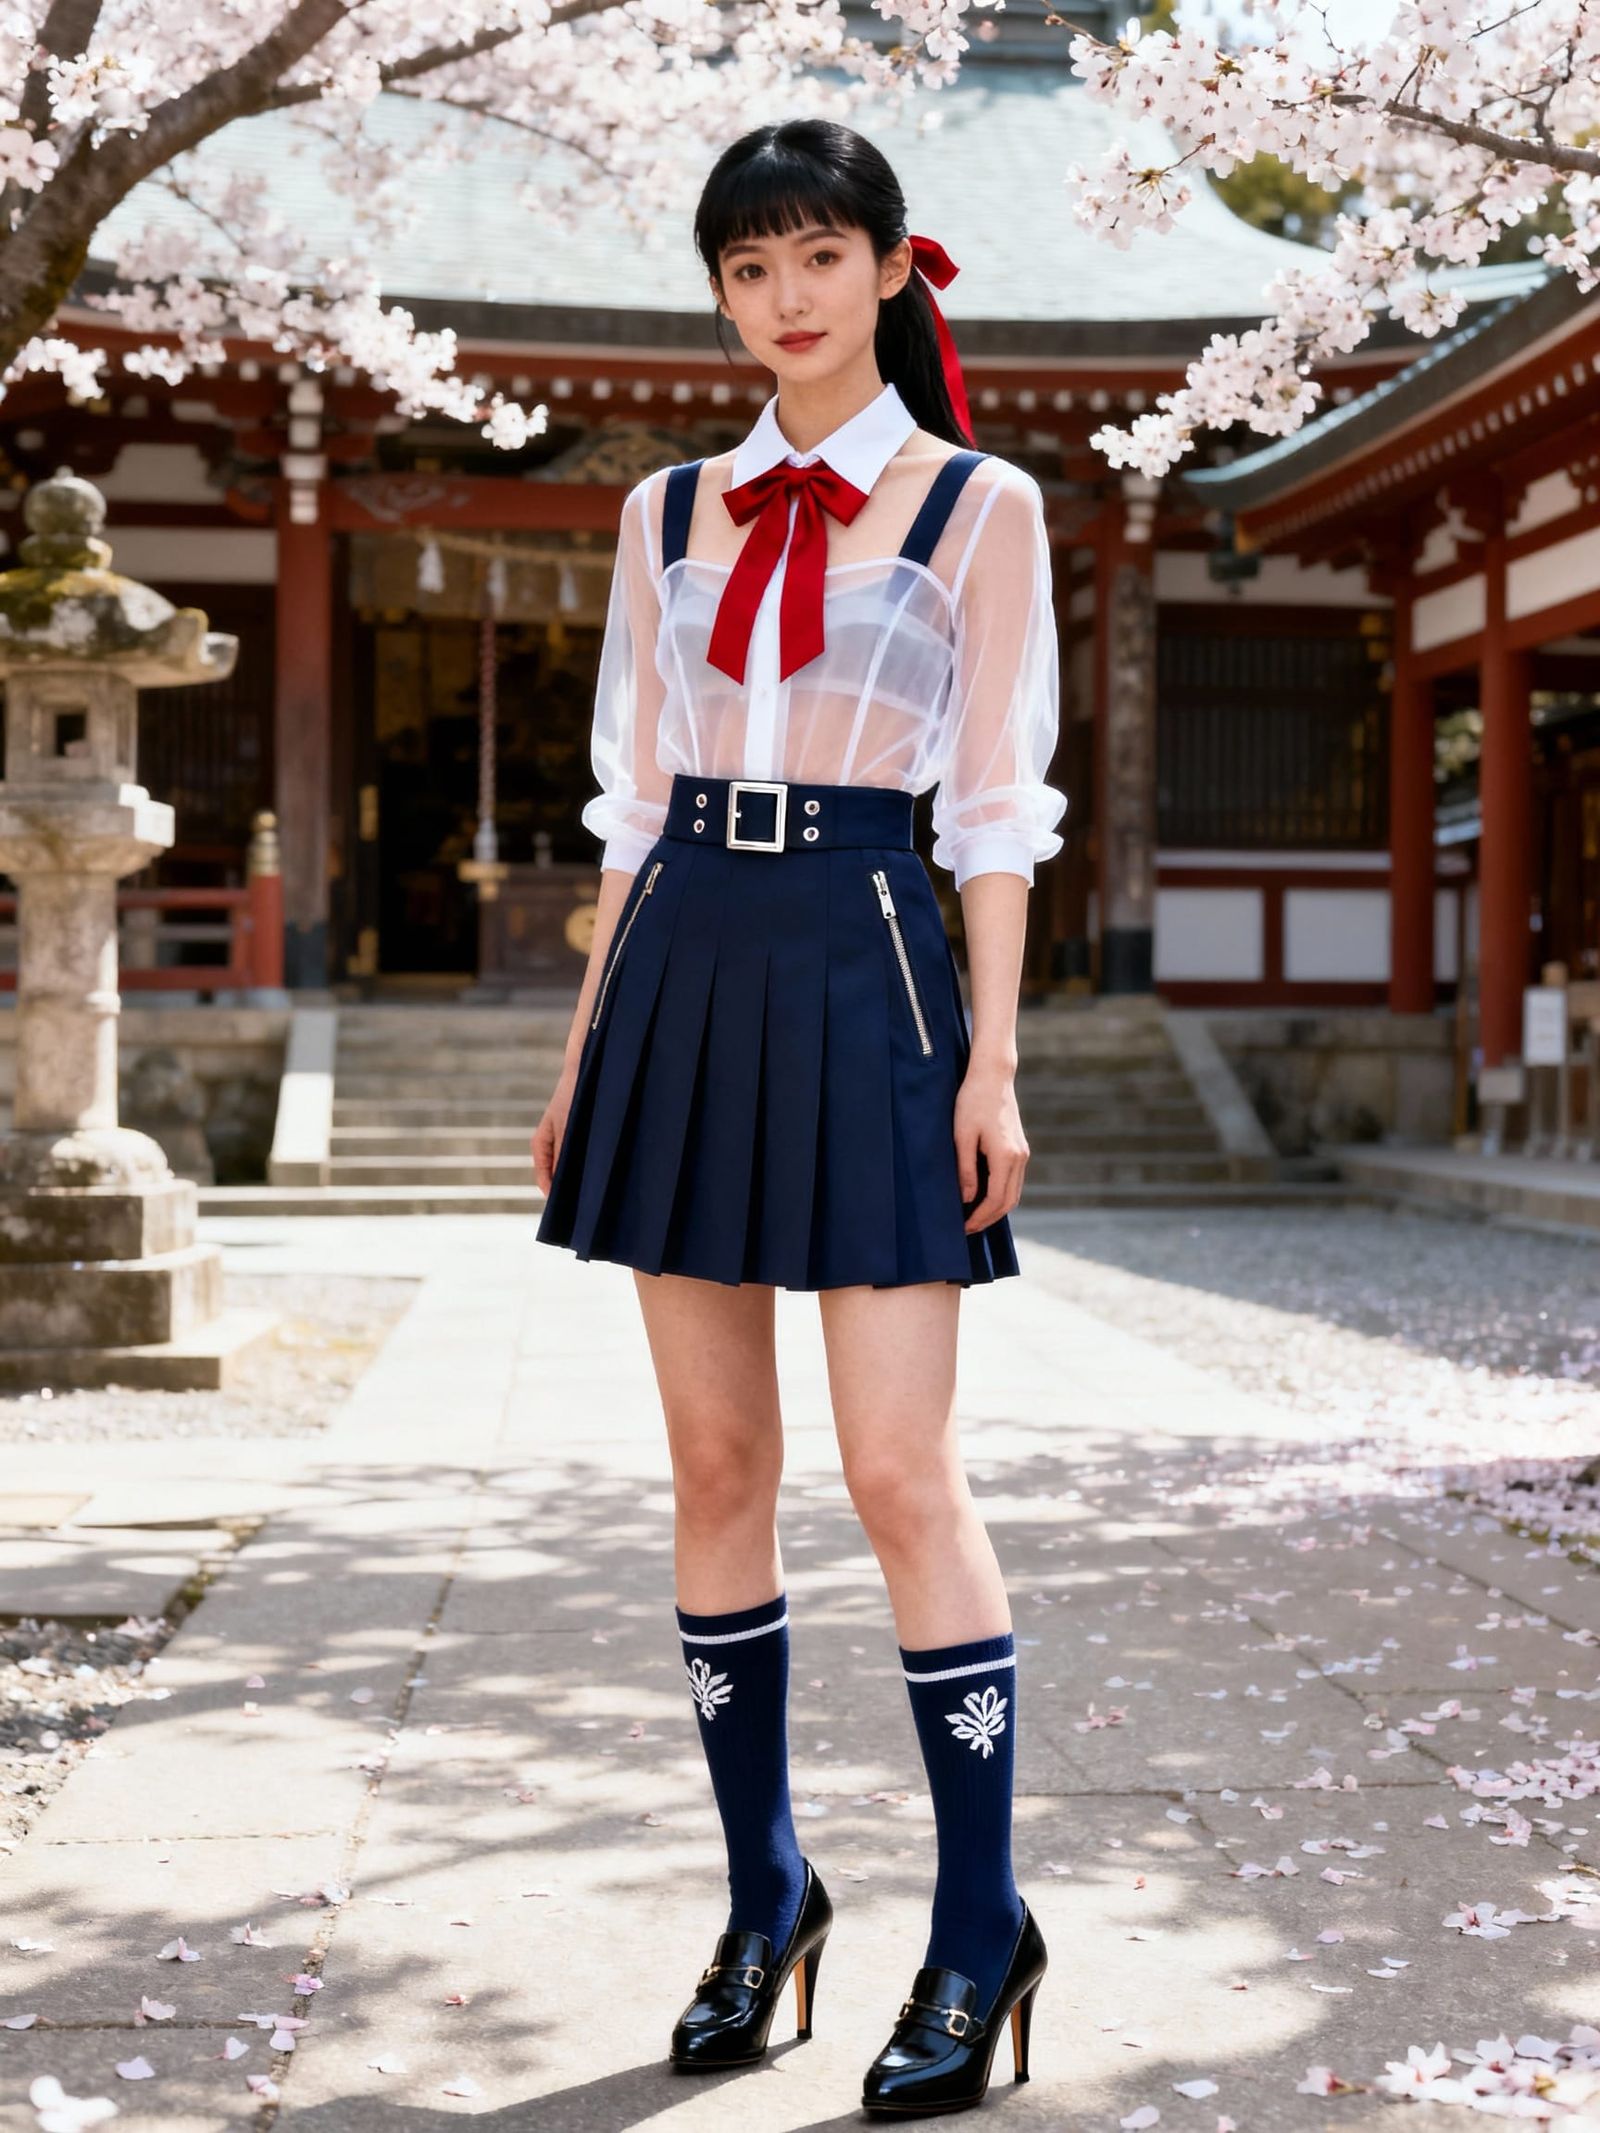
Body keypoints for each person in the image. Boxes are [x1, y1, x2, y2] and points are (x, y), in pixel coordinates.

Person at [531, 116, 1066, 2116]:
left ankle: (978, 1920)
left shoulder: (977, 508)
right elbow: (630, 802)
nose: (786, 296)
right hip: (681, 958)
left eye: (818, 255)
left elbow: (994, 812)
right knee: (712, 1461)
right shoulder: (664, 508)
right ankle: (766, 1893)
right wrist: (581, 1051)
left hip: (868, 955)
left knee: (901, 1470)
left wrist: (991, 1061)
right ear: (721, 295)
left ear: (889, 268)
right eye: (748, 266)